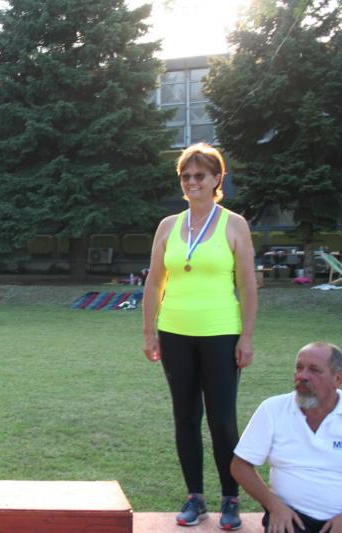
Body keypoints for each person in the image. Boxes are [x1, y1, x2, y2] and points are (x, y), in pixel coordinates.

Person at [142, 143, 258, 529]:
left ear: (216, 179)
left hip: (220, 333)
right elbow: (154, 282)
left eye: (200, 175)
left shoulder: (234, 224)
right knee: (185, 417)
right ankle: (195, 497)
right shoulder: (168, 226)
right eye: (186, 176)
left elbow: (248, 285)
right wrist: (149, 331)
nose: (192, 182)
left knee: (222, 419)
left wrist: (246, 337)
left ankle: (230, 498)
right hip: (174, 332)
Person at [231, 342, 342, 533]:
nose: (302, 376)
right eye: (299, 368)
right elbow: (240, 466)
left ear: (337, 379)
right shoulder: (273, 409)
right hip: (289, 518)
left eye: (314, 370)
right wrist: (274, 506)